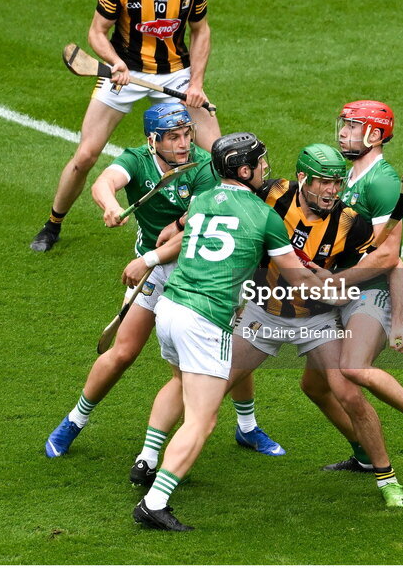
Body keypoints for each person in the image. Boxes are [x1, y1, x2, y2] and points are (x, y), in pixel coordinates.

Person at [133, 133, 349, 531]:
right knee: (202, 419)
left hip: (169, 309)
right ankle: (154, 502)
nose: (267, 168)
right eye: (261, 162)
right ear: (244, 170)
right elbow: (299, 281)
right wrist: (338, 293)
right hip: (204, 321)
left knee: (181, 386)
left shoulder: (201, 200)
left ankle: (146, 461)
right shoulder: (264, 216)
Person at [43, 104, 279, 460]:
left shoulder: (203, 166)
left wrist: (152, 254)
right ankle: (74, 421)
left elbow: (193, 232)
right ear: (152, 140)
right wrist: (109, 204)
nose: (184, 143)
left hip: (199, 270)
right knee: (122, 352)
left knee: (229, 351)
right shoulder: (137, 160)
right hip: (153, 272)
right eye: (173, 137)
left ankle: (247, 427)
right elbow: (105, 182)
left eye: (187, 134)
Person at [224, 143, 403, 507]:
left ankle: (387, 478)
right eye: (323, 182)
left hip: (317, 319)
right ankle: (159, 467)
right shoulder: (271, 193)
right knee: (211, 388)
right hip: (264, 313)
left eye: (337, 183)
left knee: (349, 394)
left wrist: (344, 290)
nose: (331, 190)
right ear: (301, 179)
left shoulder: (351, 223)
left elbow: (384, 265)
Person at [30, 0, 219, 252]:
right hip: (125, 74)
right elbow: (96, 32)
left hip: (176, 74)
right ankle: (53, 223)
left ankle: (233, 225)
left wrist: (196, 83)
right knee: (86, 155)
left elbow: (200, 31)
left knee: (219, 154)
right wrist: (115, 62)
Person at [318, 100, 403, 476]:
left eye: (352, 127)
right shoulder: (346, 176)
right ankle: (363, 455)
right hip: (337, 290)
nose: (342, 132)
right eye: (342, 124)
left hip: (367, 292)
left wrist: (398, 322)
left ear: (374, 134)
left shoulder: (383, 181)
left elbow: (389, 258)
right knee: (316, 385)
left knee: (354, 367)